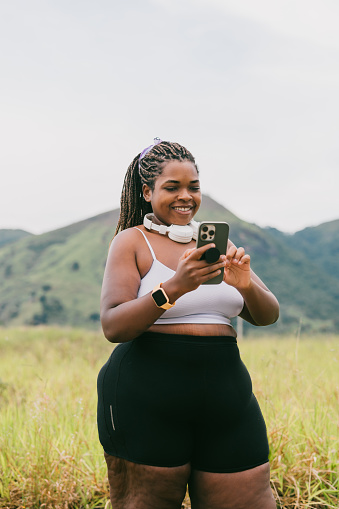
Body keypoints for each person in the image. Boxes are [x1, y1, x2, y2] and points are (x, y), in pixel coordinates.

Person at [97, 139, 279, 509]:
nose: (186, 196)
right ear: (147, 192)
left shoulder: (215, 244)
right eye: (172, 187)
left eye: (193, 187)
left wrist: (244, 284)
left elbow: (268, 315)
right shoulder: (132, 242)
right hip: (146, 397)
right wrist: (175, 287)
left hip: (227, 399)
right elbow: (114, 325)